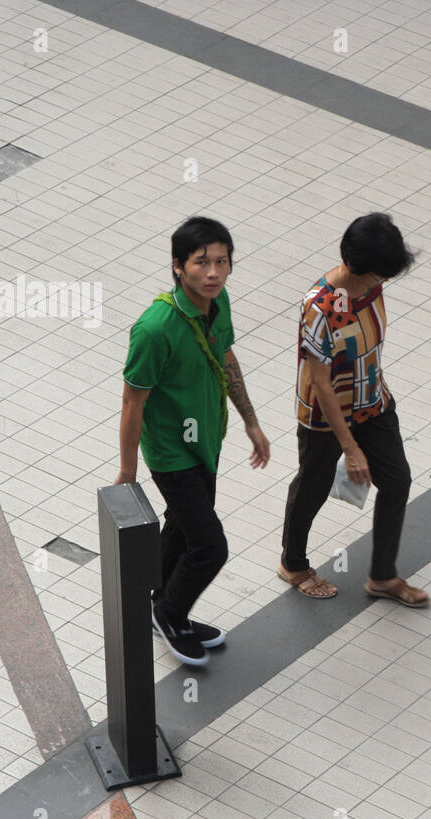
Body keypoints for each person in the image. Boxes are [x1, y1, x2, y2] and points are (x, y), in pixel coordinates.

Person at [116, 216, 271, 666]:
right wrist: (128, 471)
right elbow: (132, 403)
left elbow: (225, 357)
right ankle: (169, 612)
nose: (213, 273)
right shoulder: (155, 328)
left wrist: (251, 421)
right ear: (178, 266)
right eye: (202, 263)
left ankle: (157, 603)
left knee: (183, 528)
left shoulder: (216, 306)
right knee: (210, 545)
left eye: (222, 262)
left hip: (207, 441)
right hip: (171, 453)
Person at [279, 212, 429, 608]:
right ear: (359, 267)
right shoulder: (320, 307)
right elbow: (322, 382)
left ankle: (382, 576)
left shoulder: (370, 288)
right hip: (326, 415)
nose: (383, 283)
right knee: (312, 486)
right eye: (379, 275)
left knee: (396, 482)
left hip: (373, 401)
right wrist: (350, 447)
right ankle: (293, 563)